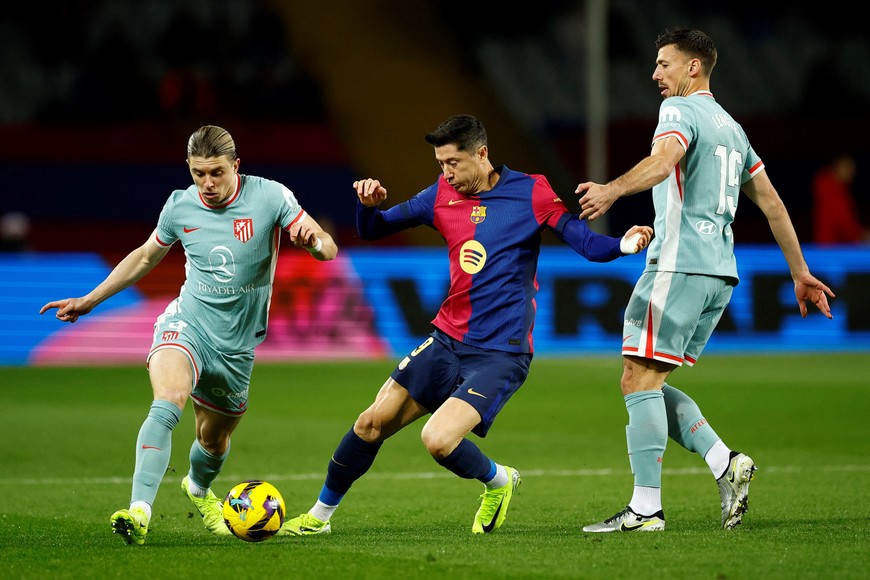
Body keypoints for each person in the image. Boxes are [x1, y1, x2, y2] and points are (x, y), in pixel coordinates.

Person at [279, 114, 653, 537]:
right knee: (370, 424)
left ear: (482, 153)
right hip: (446, 339)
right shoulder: (440, 194)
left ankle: (497, 480)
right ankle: (319, 518)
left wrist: (623, 245)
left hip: (501, 352)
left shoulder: (531, 191)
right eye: (440, 163)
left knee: (438, 440)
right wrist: (368, 207)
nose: (446, 173)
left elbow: (583, 241)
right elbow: (374, 230)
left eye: (453, 163)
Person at [575, 28, 835, 532]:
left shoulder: (679, 110)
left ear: (693, 67)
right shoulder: (733, 128)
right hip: (719, 271)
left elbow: (663, 161)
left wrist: (611, 190)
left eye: (664, 63)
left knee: (638, 379)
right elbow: (772, 203)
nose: (655, 73)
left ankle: (646, 509)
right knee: (646, 379)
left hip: (679, 263)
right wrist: (799, 271)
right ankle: (724, 463)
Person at [39, 125, 338, 546]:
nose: (207, 183)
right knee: (168, 402)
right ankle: (139, 511)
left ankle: (197, 488)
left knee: (213, 441)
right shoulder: (180, 206)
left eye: (216, 172)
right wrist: (91, 299)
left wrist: (313, 243)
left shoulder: (271, 196)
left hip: (237, 346)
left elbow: (328, 247)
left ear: (236, 165)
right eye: (198, 173)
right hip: (187, 324)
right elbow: (146, 256)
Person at [812, 151, 869, 244]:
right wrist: (860, 236)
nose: (852, 173)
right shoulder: (829, 189)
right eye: (848, 168)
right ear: (838, 166)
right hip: (832, 246)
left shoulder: (841, 189)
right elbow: (842, 222)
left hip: (833, 244)